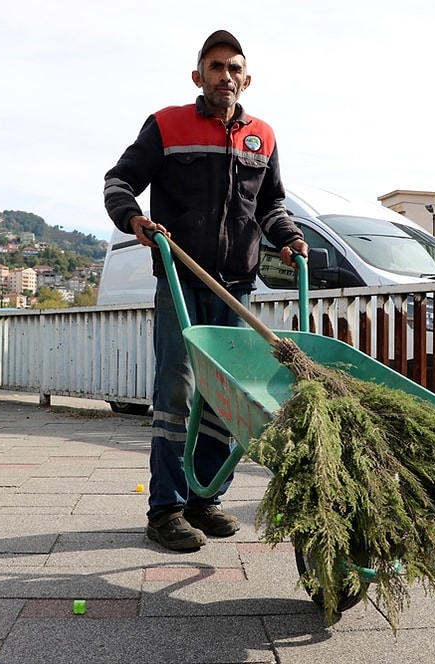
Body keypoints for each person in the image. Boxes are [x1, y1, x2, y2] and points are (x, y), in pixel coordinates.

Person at [103, 29, 309, 551]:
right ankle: (166, 510)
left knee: (228, 395)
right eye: (216, 67)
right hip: (179, 279)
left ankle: (204, 499)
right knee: (177, 390)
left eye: (234, 68)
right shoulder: (167, 125)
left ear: (247, 78)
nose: (226, 76)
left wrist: (288, 238)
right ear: (199, 76)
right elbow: (118, 181)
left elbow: (272, 207)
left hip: (235, 287)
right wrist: (134, 219)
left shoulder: (262, 136)